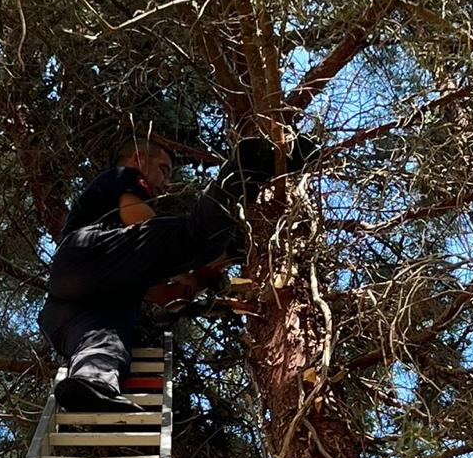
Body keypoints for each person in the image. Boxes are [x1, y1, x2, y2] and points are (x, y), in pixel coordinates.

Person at [39, 134, 287, 411]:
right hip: (87, 252)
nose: (166, 183)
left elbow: (161, 296)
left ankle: (91, 383)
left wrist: (199, 284)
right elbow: (138, 220)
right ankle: (247, 170)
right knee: (195, 239)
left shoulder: (126, 266)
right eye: (163, 169)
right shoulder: (125, 175)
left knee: (106, 344)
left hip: (65, 310)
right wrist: (189, 266)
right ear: (138, 157)